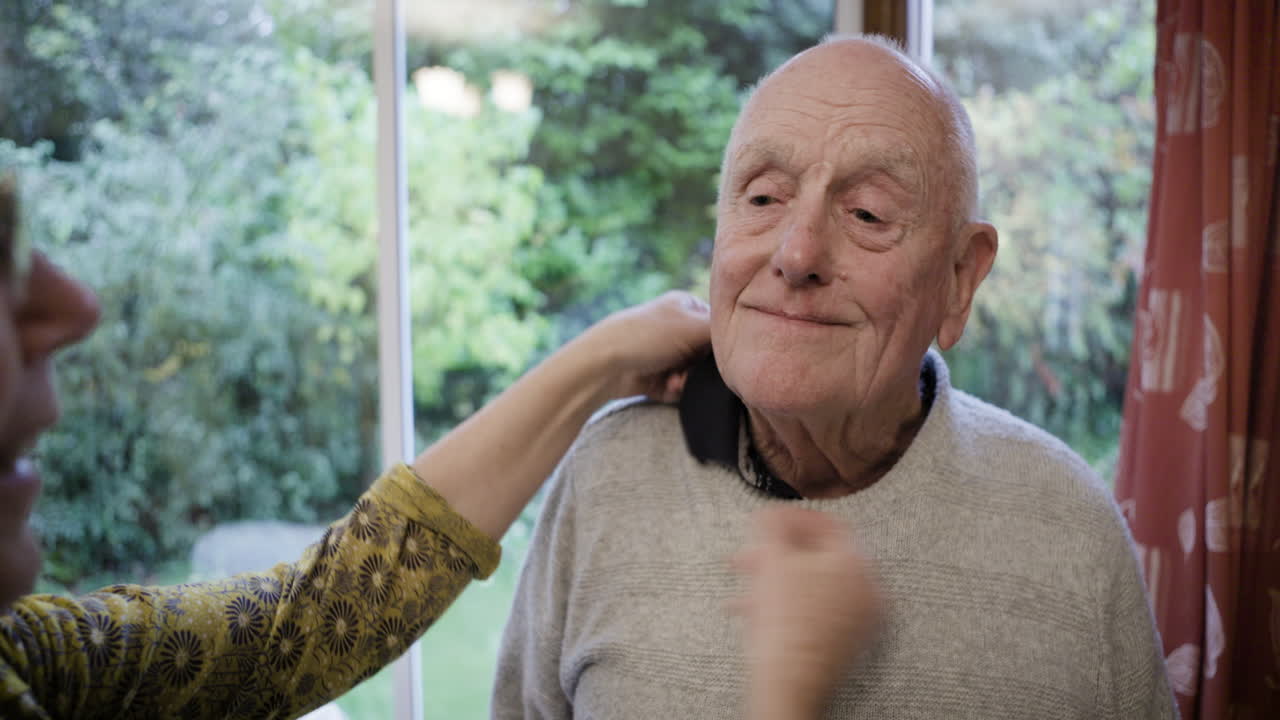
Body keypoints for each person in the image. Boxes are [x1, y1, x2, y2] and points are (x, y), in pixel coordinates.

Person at [0, 175, 878, 719]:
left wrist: (602, 359)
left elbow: (292, 636)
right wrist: (786, 698)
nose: (76, 306)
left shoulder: (22, 661)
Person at [492, 34, 1177, 719]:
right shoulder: (608, 475)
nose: (797, 254)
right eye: (762, 199)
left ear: (959, 279)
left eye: (868, 214)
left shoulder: (1068, 530)